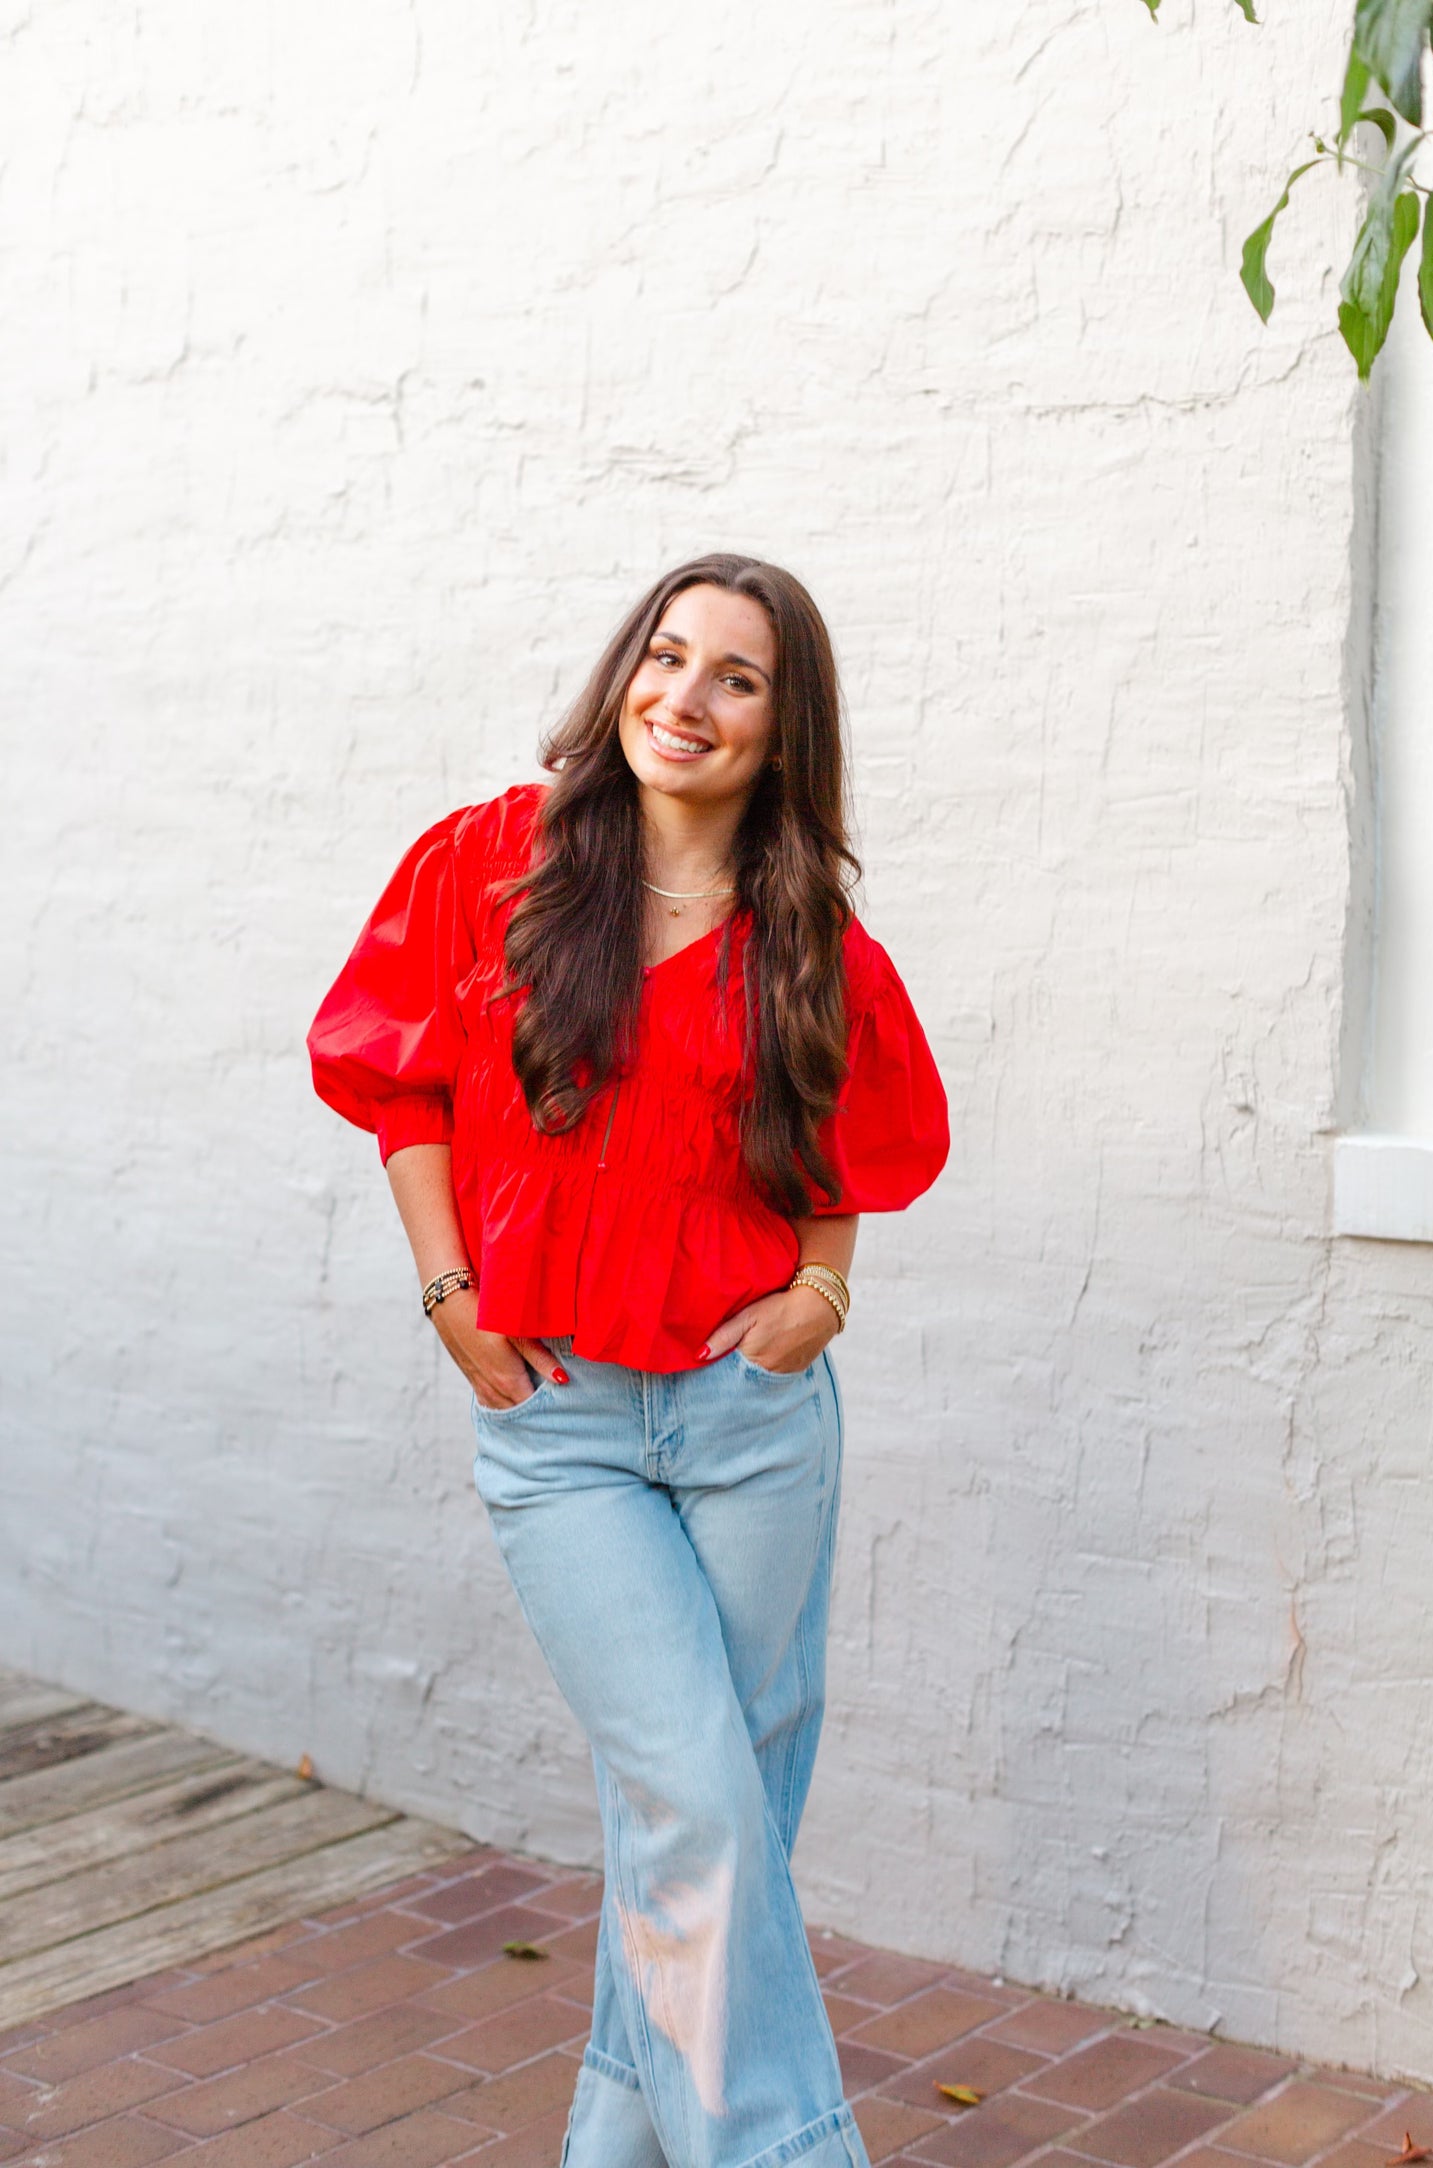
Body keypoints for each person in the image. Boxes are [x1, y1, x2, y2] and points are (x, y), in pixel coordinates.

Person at [308, 553, 949, 2168]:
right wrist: (448, 1288)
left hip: (752, 1426)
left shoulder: (805, 932)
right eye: (665, 658)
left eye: (736, 678)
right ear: (621, 679)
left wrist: (823, 1288)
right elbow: (403, 1086)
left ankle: (612, 2144)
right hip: (566, 1424)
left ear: (780, 729)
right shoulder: (488, 865)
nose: (685, 698)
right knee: (699, 1805)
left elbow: (852, 1148)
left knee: (708, 1821)